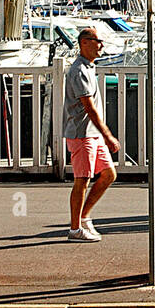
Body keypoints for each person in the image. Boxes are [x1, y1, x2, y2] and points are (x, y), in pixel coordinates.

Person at [62, 27, 120, 241]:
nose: (101, 45)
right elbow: (89, 107)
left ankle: (84, 216)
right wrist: (108, 135)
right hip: (81, 133)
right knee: (82, 180)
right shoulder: (78, 71)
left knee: (108, 174)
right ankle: (75, 229)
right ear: (84, 43)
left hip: (93, 133)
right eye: (97, 41)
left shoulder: (89, 67)